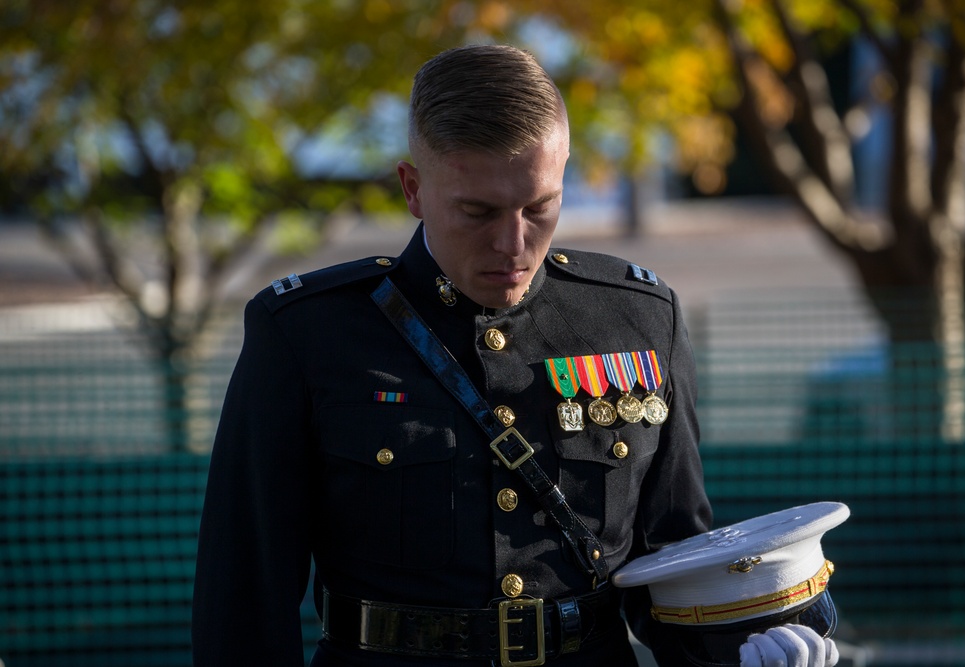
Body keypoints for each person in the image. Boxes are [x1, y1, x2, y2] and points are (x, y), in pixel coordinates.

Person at [192, 44, 837, 666]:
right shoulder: (309, 333)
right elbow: (245, 597)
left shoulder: (637, 319)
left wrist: (736, 649)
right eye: (478, 211)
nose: (513, 243)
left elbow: (669, 560)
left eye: (541, 207)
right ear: (413, 189)